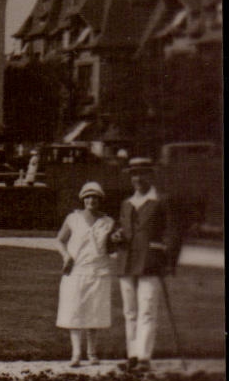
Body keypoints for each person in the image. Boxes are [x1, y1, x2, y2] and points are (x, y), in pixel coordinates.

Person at [109, 157, 183, 368]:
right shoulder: (126, 203)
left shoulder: (161, 201)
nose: (138, 178)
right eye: (134, 174)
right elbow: (121, 229)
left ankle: (144, 357)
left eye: (142, 173)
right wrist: (116, 235)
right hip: (126, 262)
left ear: (151, 175)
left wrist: (169, 261)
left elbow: (173, 233)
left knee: (147, 309)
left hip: (150, 263)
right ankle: (132, 356)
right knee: (130, 311)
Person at [55, 181, 117, 366]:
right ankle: (76, 354)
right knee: (74, 311)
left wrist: (117, 242)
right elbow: (59, 240)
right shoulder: (73, 218)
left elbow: (112, 248)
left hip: (99, 272)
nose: (92, 200)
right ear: (83, 199)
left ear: (100, 200)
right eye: (88, 196)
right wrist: (66, 256)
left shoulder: (108, 222)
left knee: (94, 312)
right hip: (75, 271)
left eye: (96, 197)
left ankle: (92, 353)